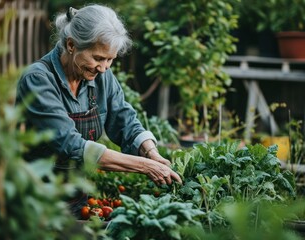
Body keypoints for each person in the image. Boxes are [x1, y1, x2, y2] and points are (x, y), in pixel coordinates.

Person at [15, 4, 182, 218]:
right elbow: (71, 145)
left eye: (110, 59)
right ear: (71, 45)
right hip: (34, 205)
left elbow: (124, 119)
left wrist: (151, 153)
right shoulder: (38, 80)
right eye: (98, 58)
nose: (104, 68)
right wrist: (144, 166)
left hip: (77, 201)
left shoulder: (100, 76)